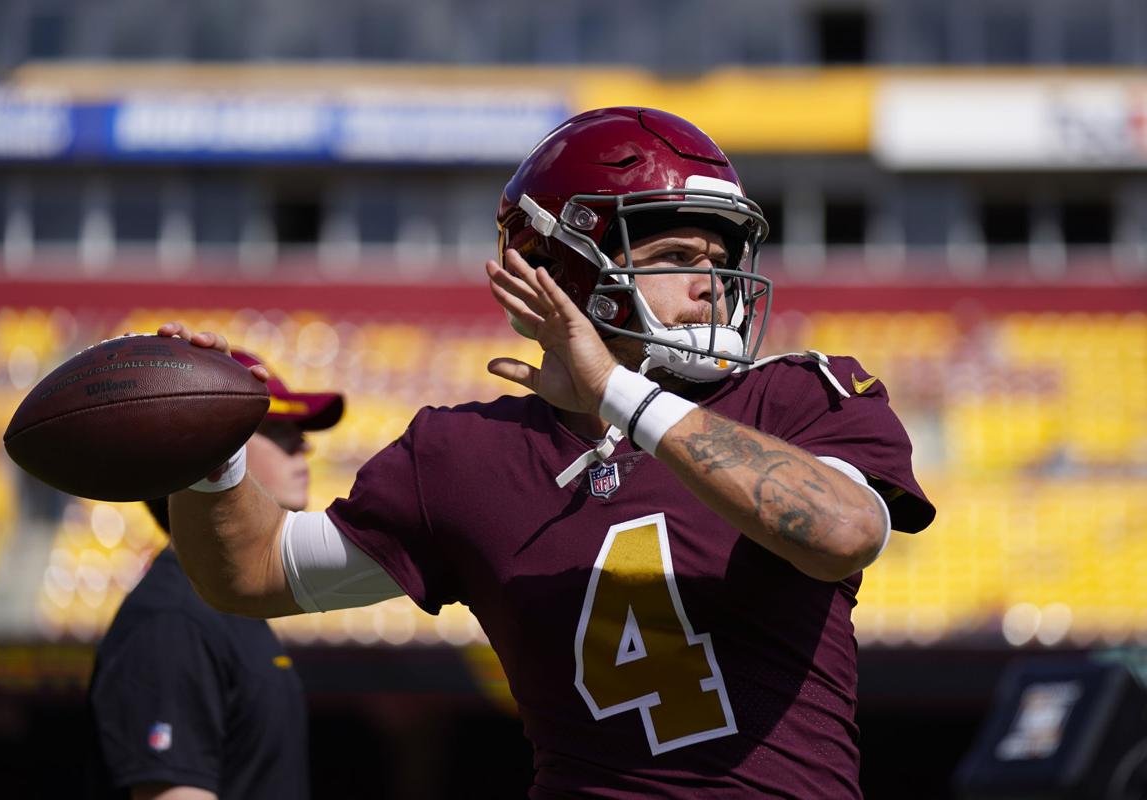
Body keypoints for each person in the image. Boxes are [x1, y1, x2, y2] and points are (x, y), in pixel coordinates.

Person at [159, 107, 935, 798]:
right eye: (673, 258)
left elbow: (842, 534)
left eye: (720, 258)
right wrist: (208, 454)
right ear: (564, 272)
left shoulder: (800, 397)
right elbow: (251, 570)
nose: (715, 286)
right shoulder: (466, 453)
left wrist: (617, 396)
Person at [86, 350, 344, 800]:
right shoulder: (171, 622)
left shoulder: (224, 600)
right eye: (280, 431)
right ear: (217, 452)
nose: (304, 447)